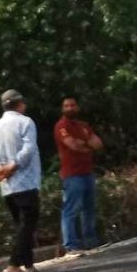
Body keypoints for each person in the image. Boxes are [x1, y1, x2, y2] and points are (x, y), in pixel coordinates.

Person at [0, 89, 42, 272]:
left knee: (22, 226)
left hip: (7, 186)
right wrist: (13, 165)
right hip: (25, 182)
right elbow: (29, 148)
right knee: (28, 226)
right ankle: (14, 265)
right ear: (20, 103)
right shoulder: (25, 122)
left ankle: (29, 266)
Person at [53, 96, 103, 258]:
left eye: (72, 105)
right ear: (62, 109)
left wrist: (83, 143)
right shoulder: (62, 126)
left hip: (87, 172)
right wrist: (86, 143)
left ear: (77, 107)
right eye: (66, 106)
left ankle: (90, 241)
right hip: (72, 174)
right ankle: (71, 245)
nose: (70, 108)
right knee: (71, 209)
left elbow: (98, 144)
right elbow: (72, 145)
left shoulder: (83, 126)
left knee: (89, 208)